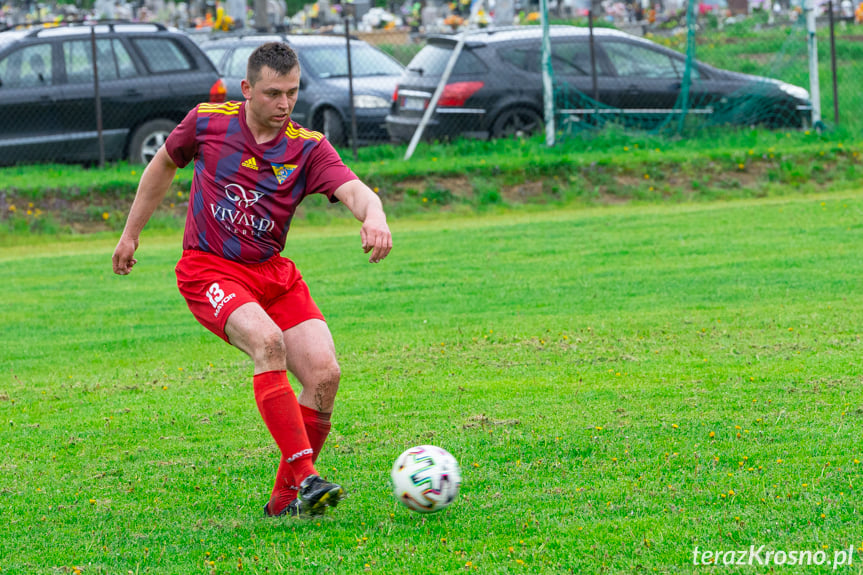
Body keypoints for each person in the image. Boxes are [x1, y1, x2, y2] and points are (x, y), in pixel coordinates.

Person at [112, 42, 392, 518]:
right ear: (247, 90)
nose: (285, 104)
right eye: (273, 93)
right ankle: (307, 478)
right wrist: (130, 235)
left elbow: (353, 189)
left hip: (273, 274)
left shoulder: (307, 147)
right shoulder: (207, 121)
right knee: (267, 343)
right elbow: (162, 166)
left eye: (293, 92)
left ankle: (284, 502)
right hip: (209, 267)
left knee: (325, 376)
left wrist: (376, 215)